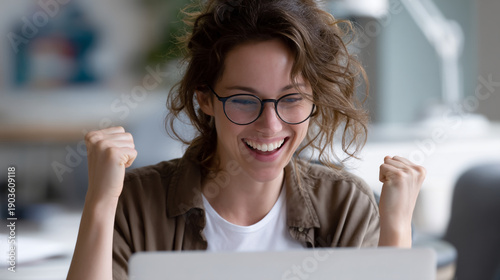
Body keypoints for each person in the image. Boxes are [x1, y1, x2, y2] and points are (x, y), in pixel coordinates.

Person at [67, 0, 426, 279]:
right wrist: (101, 201)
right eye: (243, 100)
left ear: (315, 98)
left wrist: (396, 231)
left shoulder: (346, 205)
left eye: (291, 99)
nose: (270, 125)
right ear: (205, 98)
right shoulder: (136, 203)